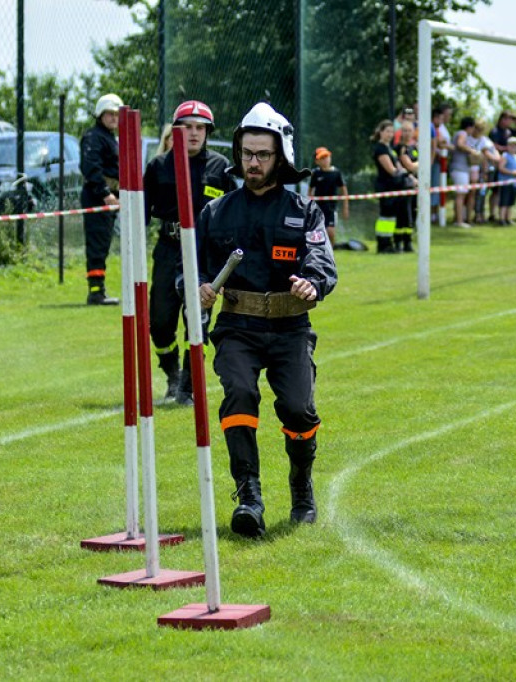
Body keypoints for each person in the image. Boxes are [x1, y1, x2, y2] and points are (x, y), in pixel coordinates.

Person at [193, 102, 338, 537]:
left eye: (263, 155)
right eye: (247, 153)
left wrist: (313, 283)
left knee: (298, 409)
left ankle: (301, 487)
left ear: (282, 157)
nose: (252, 163)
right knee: (238, 394)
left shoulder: (304, 210)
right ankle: (249, 497)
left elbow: (322, 262)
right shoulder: (216, 213)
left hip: (291, 329)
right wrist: (198, 286)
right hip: (237, 327)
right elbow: (193, 266)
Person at [143, 100, 233, 405]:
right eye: (187, 127)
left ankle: (188, 387)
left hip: (204, 253)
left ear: (208, 132)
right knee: (159, 322)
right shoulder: (157, 166)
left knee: (198, 319)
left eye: (200, 128)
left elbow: (236, 211)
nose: (194, 133)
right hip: (169, 249)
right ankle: (171, 375)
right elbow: (140, 214)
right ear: (176, 130)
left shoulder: (221, 167)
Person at [80, 93, 123, 306]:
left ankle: (99, 291)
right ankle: (96, 293)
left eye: (117, 114)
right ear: (100, 114)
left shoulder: (108, 137)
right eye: (110, 114)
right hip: (99, 197)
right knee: (97, 245)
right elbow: (91, 167)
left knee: (103, 244)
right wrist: (106, 193)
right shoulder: (94, 137)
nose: (114, 118)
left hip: (111, 197)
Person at [371, 119, 415, 253]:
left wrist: (409, 177)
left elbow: (398, 167)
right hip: (386, 186)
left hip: (395, 187)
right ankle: (383, 244)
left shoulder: (389, 148)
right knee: (386, 216)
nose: (390, 134)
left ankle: (391, 243)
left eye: (392, 132)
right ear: (381, 132)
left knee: (393, 216)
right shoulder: (380, 149)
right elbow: (391, 170)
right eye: (387, 131)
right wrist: (405, 174)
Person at [307, 147, 349, 246]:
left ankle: (332, 248)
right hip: (317, 208)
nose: (325, 160)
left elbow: (344, 190)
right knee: (316, 232)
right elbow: (310, 191)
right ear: (317, 161)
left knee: (330, 232)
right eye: (322, 158)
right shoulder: (315, 173)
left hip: (331, 208)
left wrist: (345, 207)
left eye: (327, 157)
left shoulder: (336, 173)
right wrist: (308, 205)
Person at [394, 118, 421, 248]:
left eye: (409, 130)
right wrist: (420, 164)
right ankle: (399, 241)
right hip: (403, 185)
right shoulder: (400, 148)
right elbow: (409, 166)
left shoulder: (413, 147)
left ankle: (408, 242)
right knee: (403, 214)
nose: (407, 133)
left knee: (413, 213)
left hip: (415, 186)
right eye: (404, 130)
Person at [488, 110, 516, 222]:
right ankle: (492, 214)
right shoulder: (494, 131)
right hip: (495, 163)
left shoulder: (509, 132)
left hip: (508, 165)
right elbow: (492, 145)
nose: (509, 122)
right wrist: (506, 149)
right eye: (508, 119)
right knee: (495, 191)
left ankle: (505, 215)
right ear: (502, 119)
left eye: (511, 119)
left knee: (506, 191)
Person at [450, 117, 478, 228]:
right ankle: (459, 221)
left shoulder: (460, 133)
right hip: (459, 168)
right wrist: (472, 151)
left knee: (461, 194)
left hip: (461, 169)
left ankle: (458, 218)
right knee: (460, 195)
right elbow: (460, 144)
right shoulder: (462, 133)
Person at [497, 136, 516, 226]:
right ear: (508, 146)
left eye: (515, 145)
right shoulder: (505, 156)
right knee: (504, 201)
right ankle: (501, 219)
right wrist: (512, 172)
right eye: (511, 145)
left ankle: (508, 218)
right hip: (505, 182)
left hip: (514, 183)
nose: (513, 147)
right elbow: (501, 168)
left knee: (511, 202)